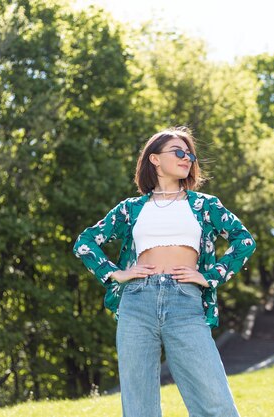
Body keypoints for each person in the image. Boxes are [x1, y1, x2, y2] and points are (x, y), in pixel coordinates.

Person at [73, 126, 256, 417]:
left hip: (186, 303)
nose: (187, 159)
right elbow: (85, 243)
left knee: (216, 403)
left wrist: (210, 276)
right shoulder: (130, 209)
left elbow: (244, 241)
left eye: (190, 155)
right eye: (179, 152)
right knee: (139, 407)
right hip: (137, 302)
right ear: (154, 159)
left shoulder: (204, 205)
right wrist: (114, 273)